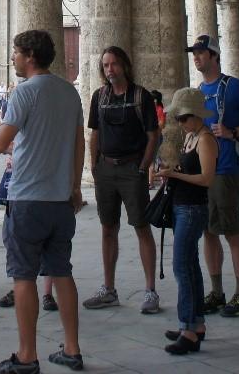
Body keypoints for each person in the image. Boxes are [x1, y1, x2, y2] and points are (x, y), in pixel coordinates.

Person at [0, 30, 86, 374]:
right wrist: (74, 187)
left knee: (23, 277)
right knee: (62, 272)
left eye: (15, 53)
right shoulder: (69, 92)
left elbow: (2, 140)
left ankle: (27, 355)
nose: (12, 59)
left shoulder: (24, 93)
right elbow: (80, 144)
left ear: (30, 55)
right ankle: (72, 349)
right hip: (61, 200)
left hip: (28, 199)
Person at [187, 34, 239, 319]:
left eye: (200, 53)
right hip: (204, 171)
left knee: (232, 231)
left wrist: (233, 133)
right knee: (208, 232)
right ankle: (217, 291)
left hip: (226, 169)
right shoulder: (199, 90)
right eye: (194, 53)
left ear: (213, 55)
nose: (196, 57)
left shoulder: (233, 87)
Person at [83, 45, 160, 314]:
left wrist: (143, 167)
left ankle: (150, 290)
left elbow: (153, 135)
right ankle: (109, 289)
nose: (110, 69)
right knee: (107, 228)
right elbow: (94, 133)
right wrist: (93, 165)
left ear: (124, 65)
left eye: (114, 64)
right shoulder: (99, 96)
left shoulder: (141, 97)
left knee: (141, 227)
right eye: (105, 65)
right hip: (106, 169)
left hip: (131, 170)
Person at [158, 88, 218, 354]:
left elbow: (206, 179)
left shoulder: (205, 140)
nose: (179, 123)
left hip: (193, 208)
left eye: (182, 118)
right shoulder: (190, 137)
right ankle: (197, 324)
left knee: (181, 266)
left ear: (194, 115)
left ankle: (188, 329)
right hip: (183, 206)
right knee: (190, 266)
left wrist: (176, 175)